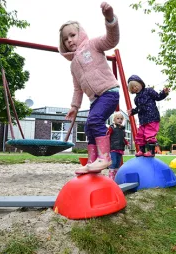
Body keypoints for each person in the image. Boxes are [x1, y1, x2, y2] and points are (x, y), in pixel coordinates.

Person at [59, 2, 120, 175]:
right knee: (88, 127)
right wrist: (74, 107)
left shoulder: (92, 45)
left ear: (81, 33)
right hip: (95, 99)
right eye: (65, 38)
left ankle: (104, 157)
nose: (69, 40)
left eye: (72, 35)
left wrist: (110, 19)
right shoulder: (73, 66)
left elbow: (111, 39)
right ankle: (93, 160)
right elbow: (77, 89)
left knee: (95, 121)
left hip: (109, 91)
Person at [127, 75, 170, 157]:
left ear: (140, 83)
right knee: (140, 135)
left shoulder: (148, 91)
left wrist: (164, 93)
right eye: (132, 88)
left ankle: (151, 151)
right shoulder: (136, 99)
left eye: (136, 86)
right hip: (143, 120)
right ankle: (141, 150)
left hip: (152, 118)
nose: (135, 88)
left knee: (149, 135)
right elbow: (139, 108)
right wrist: (132, 111)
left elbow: (158, 97)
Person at [107, 112, 129, 180]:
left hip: (120, 149)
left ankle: (115, 177)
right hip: (113, 148)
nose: (120, 120)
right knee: (113, 162)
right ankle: (111, 177)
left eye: (121, 119)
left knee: (118, 164)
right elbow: (107, 135)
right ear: (114, 119)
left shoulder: (122, 129)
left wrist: (127, 143)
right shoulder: (112, 128)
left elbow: (122, 138)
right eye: (118, 118)